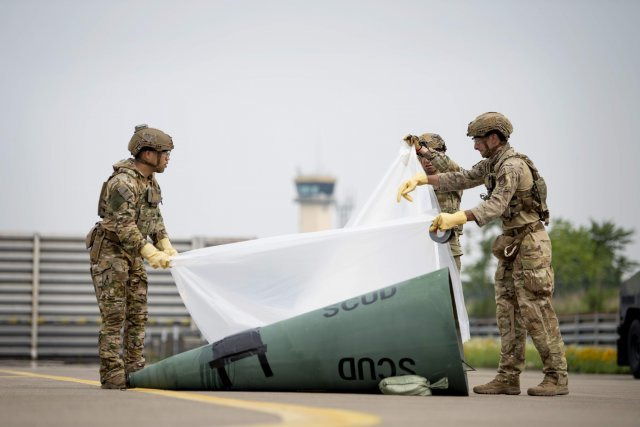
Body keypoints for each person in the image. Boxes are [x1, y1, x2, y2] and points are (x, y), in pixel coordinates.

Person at [397, 112, 568, 396]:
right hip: (512, 244)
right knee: (507, 311)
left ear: (493, 138)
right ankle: (508, 377)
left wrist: (457, 218)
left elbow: (496, 206)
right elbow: (463, 177)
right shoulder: (492, 164)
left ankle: (556, 376)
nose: (475, 146)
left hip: (531, 245)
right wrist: (424, 180)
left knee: (536, 310)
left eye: (478, 140)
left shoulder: (511, 167)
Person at [86, 124, 178, 389]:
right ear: (148, 154)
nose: (168, 158)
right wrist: (149, 251)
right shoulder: (123, 183)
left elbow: (153, 217)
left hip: (132, 254)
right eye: (164, 153)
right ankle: (112, 373)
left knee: (138, 314)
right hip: (111, 252)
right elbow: (125, 225)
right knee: (115, 315)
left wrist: (164, 242)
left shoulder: (149, 181)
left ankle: (135, 369)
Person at [403, 133, 464, 271]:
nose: (427, 160)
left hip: (447, 244)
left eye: (432, 154)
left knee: (449, 290)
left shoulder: (453, 176)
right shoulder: (413, 182)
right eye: (422, 157)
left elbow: (451, 167)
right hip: (420, 248)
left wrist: (423, 150)